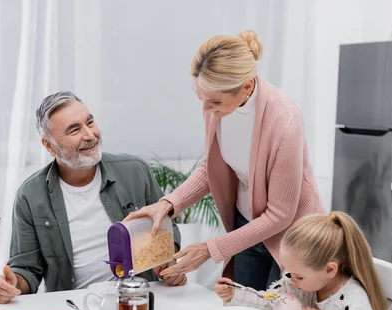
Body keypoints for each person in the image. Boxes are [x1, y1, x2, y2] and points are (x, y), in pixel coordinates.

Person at [126, 29, 325, 291]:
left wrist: (210, 249)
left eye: (214, 101)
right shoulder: (216, 105)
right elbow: (213, 167)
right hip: (246, 224)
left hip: (292, 236)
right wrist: (169, 203)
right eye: (201, 98)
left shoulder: (285, 121)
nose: (207, 109)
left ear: (247, 87)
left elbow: (279, 215)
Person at [0, 91, 186, 304]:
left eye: (90, 122)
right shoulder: (30, 196)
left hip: (139, 299)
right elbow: (26, 268)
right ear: (49, 146)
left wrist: (169, 265)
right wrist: (12, 285)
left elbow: (168, 232)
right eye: (74, 129)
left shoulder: (136, 172)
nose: (90, 135)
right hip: (73, 308)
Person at [214, 212, 389, 310]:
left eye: (299, 276)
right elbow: (272, 301)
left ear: (329, 270)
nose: (291, 280)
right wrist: (235, 294)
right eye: (289, 272)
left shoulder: (352, 300)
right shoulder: (299, 283)